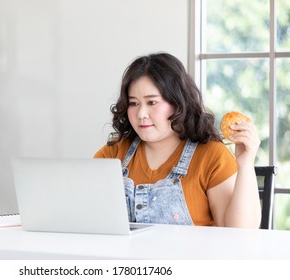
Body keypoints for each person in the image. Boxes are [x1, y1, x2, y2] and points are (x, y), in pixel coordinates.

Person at [94, 52, 261, 228]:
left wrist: (246, 165)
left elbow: (241, 235)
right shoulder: (112, 154)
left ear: (178, 103)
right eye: (134, 103)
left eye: (152, 102)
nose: (141, 114)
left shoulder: (212, 156)